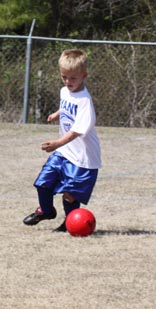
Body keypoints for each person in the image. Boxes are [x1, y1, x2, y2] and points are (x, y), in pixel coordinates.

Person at [23, 49, 101, 232]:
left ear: (84, 76)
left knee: (69, 196)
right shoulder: (65, 91)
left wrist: (57, 143)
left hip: (82, 158)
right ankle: (46, 211)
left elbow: (77, 131)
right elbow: (67, 104)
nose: (68, 82)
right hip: (65, 152)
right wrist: (57, 114)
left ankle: (69, 223)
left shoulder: (85, 101)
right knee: (43, 183)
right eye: (64, 77)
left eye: (73, 78)